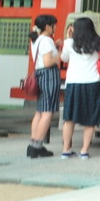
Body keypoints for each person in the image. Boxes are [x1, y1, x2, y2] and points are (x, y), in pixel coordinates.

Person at [58, 17, 100, 159]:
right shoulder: (98, 43)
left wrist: (68, 37)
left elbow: (64, 58)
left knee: (69, 118)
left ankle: (66, 150)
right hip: (93, 84)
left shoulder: (69, 43)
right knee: (90, 119)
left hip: (74, 84)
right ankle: (84, 151)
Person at [26, 14, 60, 158]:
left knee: (40, 111)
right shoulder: (46, 40)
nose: (56, 27)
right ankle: (38, 145)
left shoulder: (37, 40)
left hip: (40, 74)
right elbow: (47, 62)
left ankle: (33, 144)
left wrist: (56, 47)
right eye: (54, 24)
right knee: (47, 112)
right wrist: (60, 54)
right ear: (48, 26)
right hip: (48, 75)